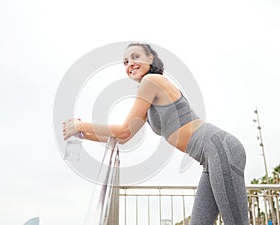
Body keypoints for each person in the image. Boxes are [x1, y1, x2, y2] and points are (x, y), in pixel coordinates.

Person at [63, 43, 250, 224]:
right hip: (210, 159)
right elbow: (124, 137)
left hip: (221, 149)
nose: (130, 64)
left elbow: (123, 129)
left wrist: (81, 125)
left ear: (150, 58)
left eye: (135, 57)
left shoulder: (151, 81)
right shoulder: (149, 93)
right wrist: (82, 134)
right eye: (125, 62)